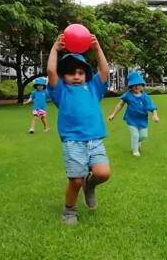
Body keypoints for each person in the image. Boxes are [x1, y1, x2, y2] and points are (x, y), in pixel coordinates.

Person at [47, 34, 111, 226]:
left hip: (95, 140)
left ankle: (89, 186)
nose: (76, 76)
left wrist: (97, 49)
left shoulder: (93, 89)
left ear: (86, 75)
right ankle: (69, 210)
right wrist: (54, 50)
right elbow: (51, 71)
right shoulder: (61, 91)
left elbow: (105, 71)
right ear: (63, 75)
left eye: (80, 73)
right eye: (71, 73)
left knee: (103, 174)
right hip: (73, 141)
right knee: (75, 180)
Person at [107, 71, 159, 157]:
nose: (137, 86)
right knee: (135, 135)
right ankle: (135, 151)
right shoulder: (128, 95)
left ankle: (137, 143)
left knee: (143, 136)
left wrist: (155, 115)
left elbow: (152, 107)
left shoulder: (145, 97)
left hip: (142, 120)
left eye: (139, 84)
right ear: (131, 86)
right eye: (134, 84)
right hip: (131, 119)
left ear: (142, 85)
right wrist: (113, 114)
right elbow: (120, 104)